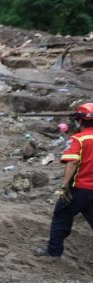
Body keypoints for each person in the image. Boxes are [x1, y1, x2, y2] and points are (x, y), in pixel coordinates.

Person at [33, 103, 93, 257]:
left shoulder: (78, 139)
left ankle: (53, 252)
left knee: (61, 217)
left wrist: (64, 185)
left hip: (79, 188)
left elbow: (72, 161)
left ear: (79, 121)